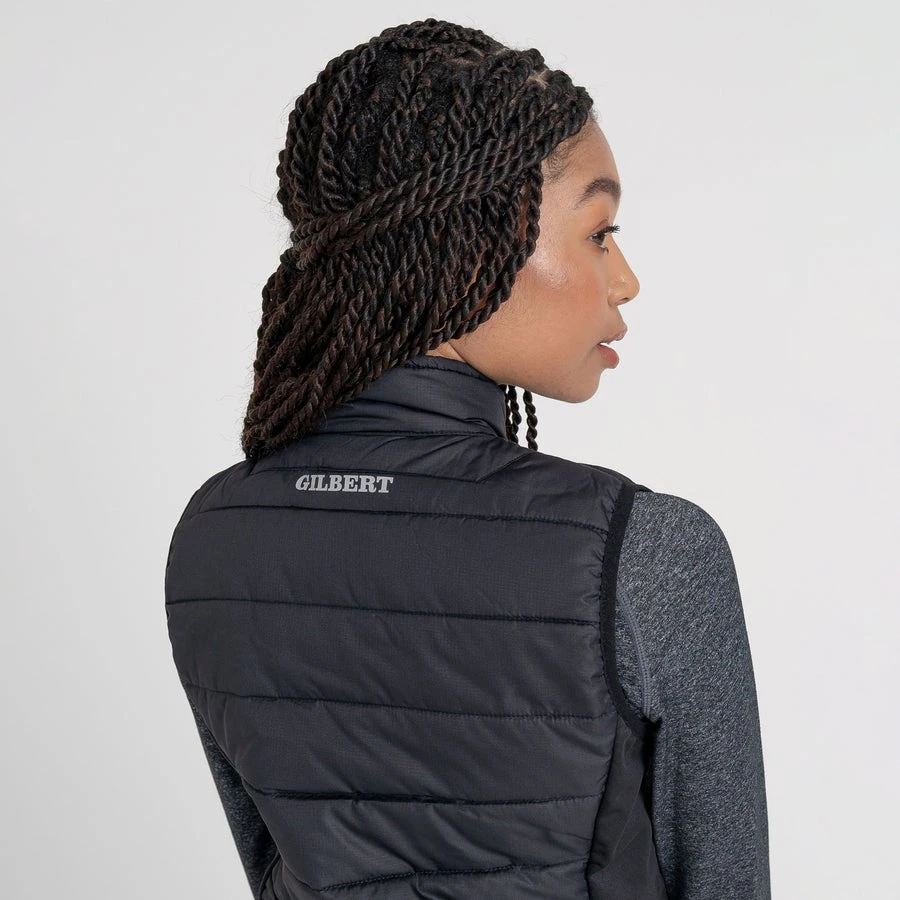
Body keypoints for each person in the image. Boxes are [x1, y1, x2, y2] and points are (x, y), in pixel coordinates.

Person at [165, 18, 770, 899]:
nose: (625, 278)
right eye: (599, 232)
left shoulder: (213, 539)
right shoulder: (645, 552)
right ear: (476, 239)